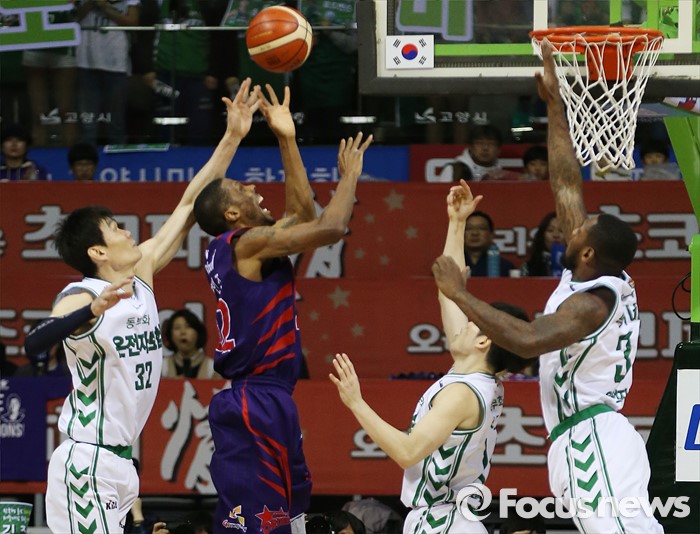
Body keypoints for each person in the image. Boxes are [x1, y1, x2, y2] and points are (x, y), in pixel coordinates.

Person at [431, 42, 662, 534]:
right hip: (586, 436)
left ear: (588, 252)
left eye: (579, 231)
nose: (566, 229)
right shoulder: (592, 274)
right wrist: (555, 106)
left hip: (592, 436)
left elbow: (528, 339)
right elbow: (566, 186)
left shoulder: (592, 303)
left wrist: (459, 292)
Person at [23, 79, 260, 534]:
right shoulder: (81, 294)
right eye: (115, 228)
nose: (128, 231)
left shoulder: (141, 274)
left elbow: (190, 204)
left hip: (121, 464)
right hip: (87, 461)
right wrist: (89, 313)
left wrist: (232, 136)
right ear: (97, 251)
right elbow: (35, 343)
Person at [193, 83, 372, 534]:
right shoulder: (244, 244)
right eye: (241, 189)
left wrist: (287, 138)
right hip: (255, 398)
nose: (253, 188)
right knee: (258, 523)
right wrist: (350, 177)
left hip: (267, 397)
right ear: (232, 214)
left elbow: (303, 216)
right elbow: (330, 227)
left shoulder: (244, 247)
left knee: (286, 514)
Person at [330, 181, 531, 534]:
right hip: (451, 519)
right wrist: (457, 223)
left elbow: (408, 452)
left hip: (444, 521)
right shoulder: (476, 375)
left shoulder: (462, 394)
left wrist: (356, 403)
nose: (464, 322)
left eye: (473, 321)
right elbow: (450, 293)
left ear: (483, 341)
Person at [75, 0, 140, 144]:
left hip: (115, 61)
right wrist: (91, 3)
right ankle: (87, 155)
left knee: (116, 121)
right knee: (88, 123)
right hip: (86, 61)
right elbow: (71, 19)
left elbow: (133, 22)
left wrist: (104, 6)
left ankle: (118, 155)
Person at [439, 124, 519, 182]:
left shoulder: (501, 175)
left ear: (498, 150)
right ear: (471, 147)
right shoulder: (454, 170)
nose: (485, 148)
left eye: (491, 144)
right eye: (480, 144)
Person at [162, 309, 219, 379]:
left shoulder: (212, 368)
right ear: (170, 335)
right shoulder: (162, 367)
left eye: (188, 327)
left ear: (198, 333)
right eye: (177, 328)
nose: (183, 332)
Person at [464, 211, 515, 277]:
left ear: (491, 234)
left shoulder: (504, 267)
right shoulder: (453, 265)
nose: (475, 233)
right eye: (469, 228)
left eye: (481, 228)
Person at [519, 212, 564, 277]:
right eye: (550, 230)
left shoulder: (575, 266)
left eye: (561, 230)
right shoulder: (529, 267)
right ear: (542, 235)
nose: (556, 235)